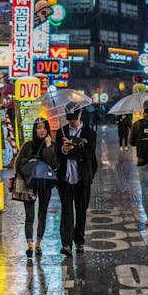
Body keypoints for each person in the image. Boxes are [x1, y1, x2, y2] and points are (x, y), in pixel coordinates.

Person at [55, 107, 97, 257]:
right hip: (65, 178)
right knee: (66, 211)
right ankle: (66, 244)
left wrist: (71, 149)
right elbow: (57, 155)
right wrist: (63, 150)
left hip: (82, 179)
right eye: (69, 118)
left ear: (80, 114)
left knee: (81, 211)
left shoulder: (90, 133)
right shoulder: (62, 132)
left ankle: (79, 241)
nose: (72, 121)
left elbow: (88, 154)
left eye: (74, 117)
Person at [14, 117, 57, 258]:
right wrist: (28, 160)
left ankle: (38, 243)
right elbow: (18, 163)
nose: (42, 130)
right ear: (34, 130)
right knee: (29, 215)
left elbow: (55, 163)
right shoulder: (28, 145)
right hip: (29, 184)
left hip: (45, 183)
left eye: (44, 127)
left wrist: (49, 146)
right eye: (38, 127)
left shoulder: (51, 145)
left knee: (42, 213)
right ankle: (29, 245)